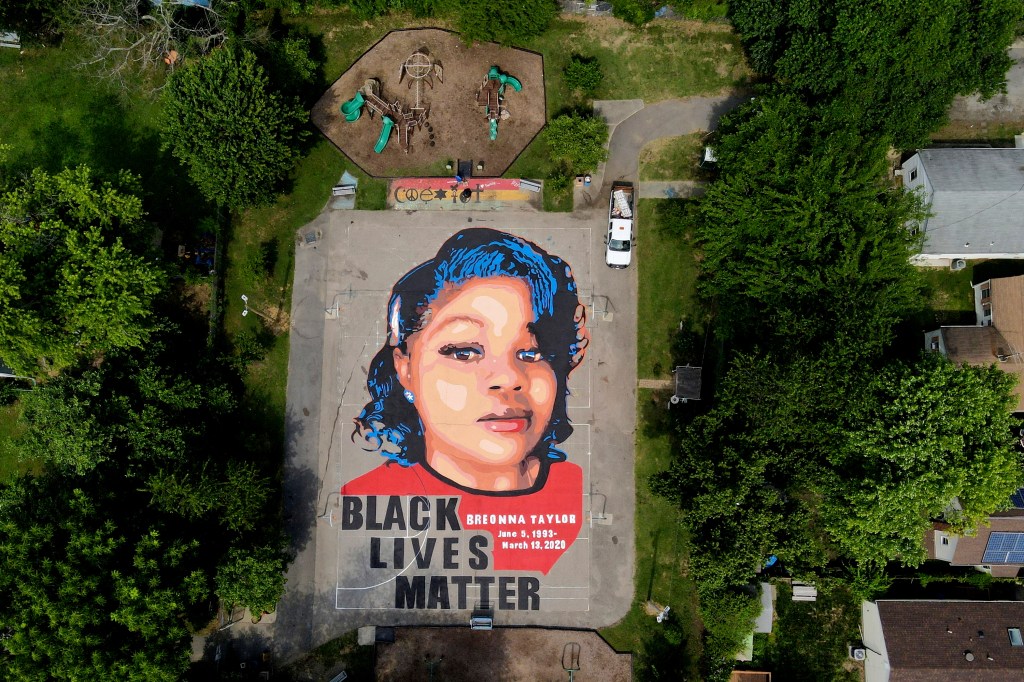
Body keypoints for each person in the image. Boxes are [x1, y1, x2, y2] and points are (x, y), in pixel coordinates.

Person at [346, 227, 589, 497]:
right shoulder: (367, 495)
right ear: (405, 370)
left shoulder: (583, 491)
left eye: (531, 354)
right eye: (464, 352)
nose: (508, 378)